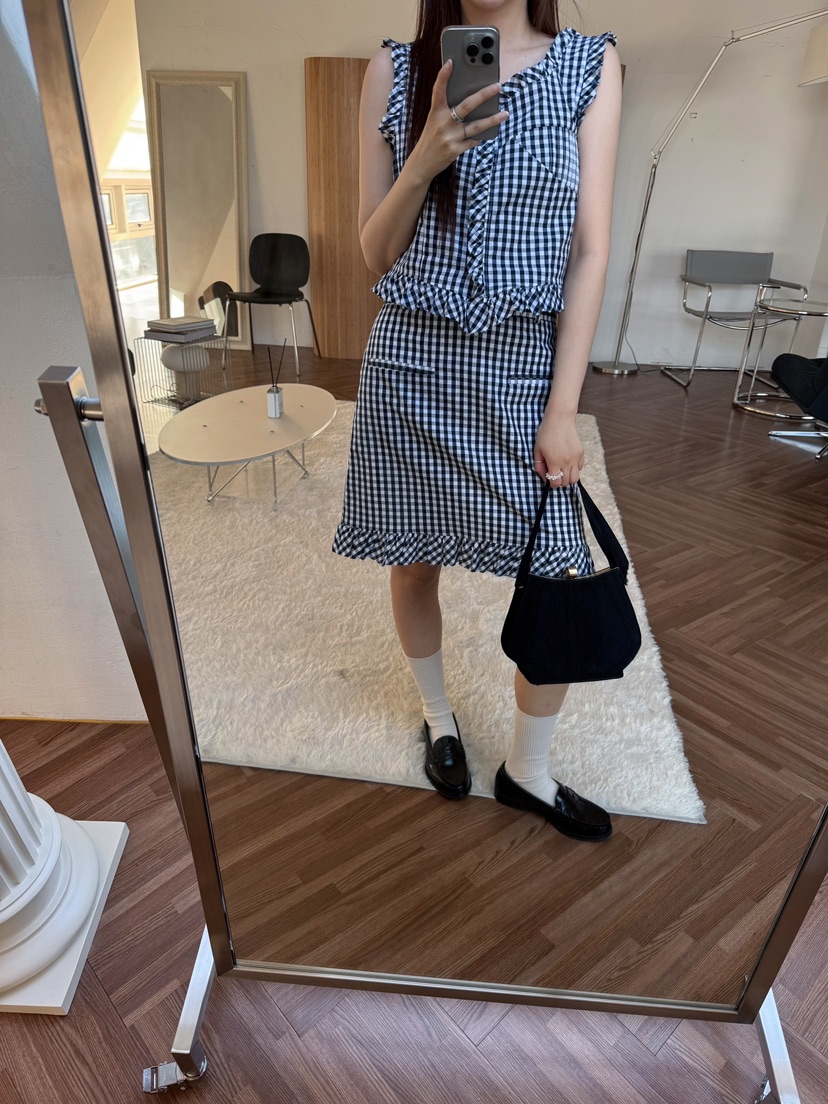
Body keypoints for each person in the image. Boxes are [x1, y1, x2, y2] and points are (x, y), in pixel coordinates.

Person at [333, 0, 622, 841]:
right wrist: (424, 158)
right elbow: (374, 253)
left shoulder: (590, 67)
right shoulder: (394, 70)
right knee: (413, 563)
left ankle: (528, 771)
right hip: (412, 365)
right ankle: (440, 721)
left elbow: (590, 250)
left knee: (560, 574)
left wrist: (564, 409)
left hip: (527, 370)